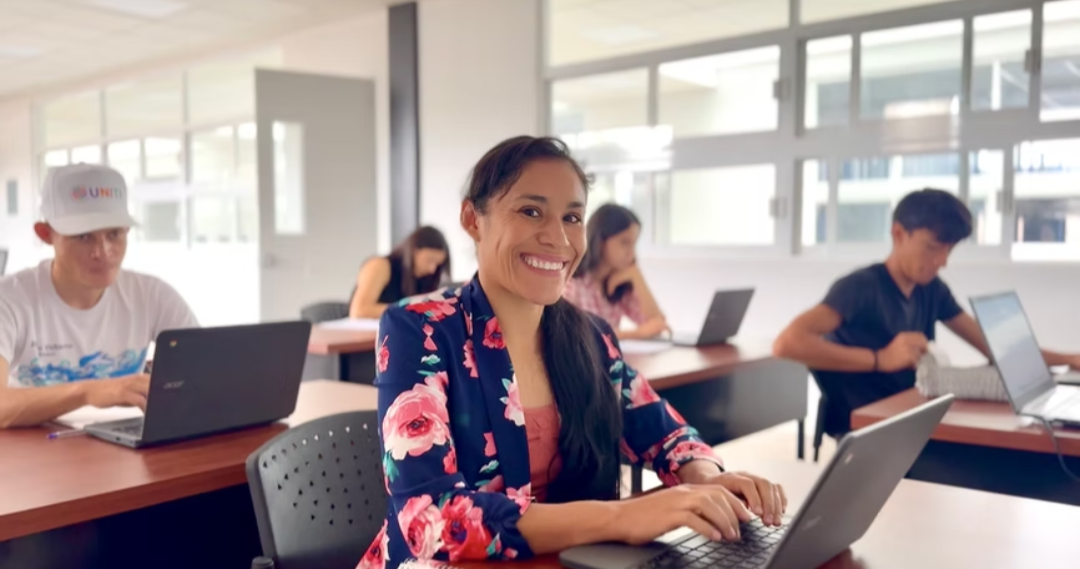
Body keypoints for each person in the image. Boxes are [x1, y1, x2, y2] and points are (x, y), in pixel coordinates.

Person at [357, 136, 786, 569]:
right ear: (473, 219)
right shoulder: (420, 328)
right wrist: (623, 518)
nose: (558, 238)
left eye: (572, 217)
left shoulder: (591, 337)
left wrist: (707, 480)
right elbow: (429, 517)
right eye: (531, 211)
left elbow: (667, 435)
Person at [773, 188, 1080, 435]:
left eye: (948, 250)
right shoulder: (860, 287)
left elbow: (995, 347)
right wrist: (880, 359)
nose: (942, 261)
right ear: (898, 234)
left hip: (915, 413)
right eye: (932, 247)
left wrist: (1070, 359)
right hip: (873, 427)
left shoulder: (931, 289)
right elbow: (787, 343)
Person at [0, 163, 198, 428]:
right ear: (46, 234)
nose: (103, 252)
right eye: (83, 237)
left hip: (123, 442)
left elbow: (206, 376)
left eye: (114, 234)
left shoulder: (152, 295)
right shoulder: (10, 299)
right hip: (35, 445)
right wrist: (88, 392)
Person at [562, 204, 668, 339]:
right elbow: (576, 335)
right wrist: (637, 333)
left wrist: (636, 275)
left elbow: (657, 324)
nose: (631, 253)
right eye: (624, 242)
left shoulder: (619, 284)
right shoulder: (572, 284)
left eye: (634, 244)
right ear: (601, 241)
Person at [348, 226, 451, 319]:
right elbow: (359, 311)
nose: (432, 269)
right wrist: (410, 309)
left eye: (438, 264)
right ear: (414, 250)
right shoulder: (381, 265)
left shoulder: (426, 279)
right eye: (429, 260)